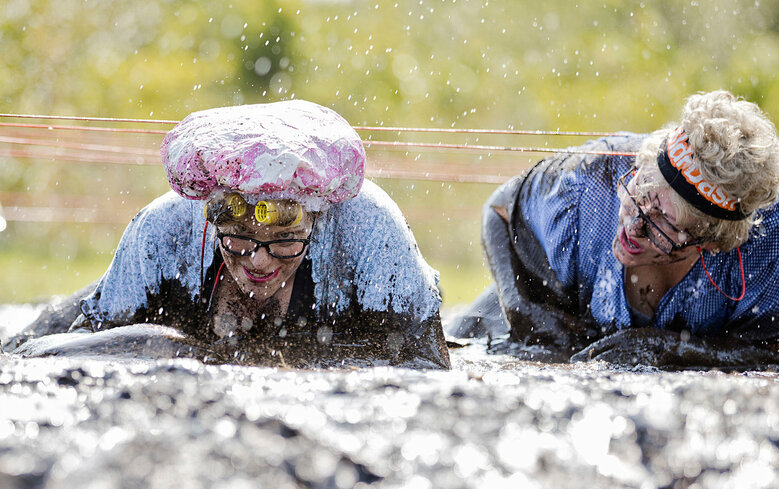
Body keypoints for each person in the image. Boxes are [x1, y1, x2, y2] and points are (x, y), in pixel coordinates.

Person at [11, 100, 451, 369]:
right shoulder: (161, 232)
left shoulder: (371, 232)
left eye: (284, 242)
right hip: (124, 292)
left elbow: (426, 365)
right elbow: (76, 357)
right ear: (212, 223)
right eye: (238, 240)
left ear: (318, 220)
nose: (259, 261)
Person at [448, 91, 779, 367]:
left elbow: (777, 353)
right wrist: (522, 307)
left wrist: (669, 349)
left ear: (712, 241)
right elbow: (497, 210)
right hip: (531, 314)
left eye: (662, 223)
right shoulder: (593, 177)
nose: (631, 226)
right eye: (640, 191)